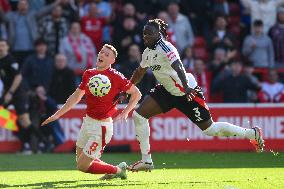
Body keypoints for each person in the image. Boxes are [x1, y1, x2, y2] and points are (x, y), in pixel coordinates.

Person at [126, 19, 265, 172]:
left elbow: (178, 66)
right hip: (167, 90)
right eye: (144, 34)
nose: (145, 37)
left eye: (149, 34)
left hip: (186, 91)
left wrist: (186, 87)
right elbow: (140, 71)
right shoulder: (147, 52)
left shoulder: (166, 47)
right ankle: (146, 161)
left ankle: (252, 133)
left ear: (158, 34)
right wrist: (127, 88)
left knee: (210, 130)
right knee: (139, 116)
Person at [41, 44, 141, 179]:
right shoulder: (89, 74)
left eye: (106, 54)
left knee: (82, 166)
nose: (101, 55)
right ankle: (114, 170)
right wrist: (58, 114)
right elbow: (76, 96)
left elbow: (136, 94)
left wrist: (125, 112)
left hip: (101, 127)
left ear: (112, 61)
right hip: (88, 122)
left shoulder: (116, 77)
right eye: (101, 52)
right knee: (81, 160)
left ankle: (117, 170)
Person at [0, 39, 35, 154]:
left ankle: (36, 142)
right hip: (8, 93)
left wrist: (10, 93)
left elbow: (18, 77)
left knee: (24, 120)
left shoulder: (11, 60)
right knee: (16, 120)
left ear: (7, 47)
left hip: (18, 93)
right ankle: (17, 129)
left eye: (3, 45)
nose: (1, 48)